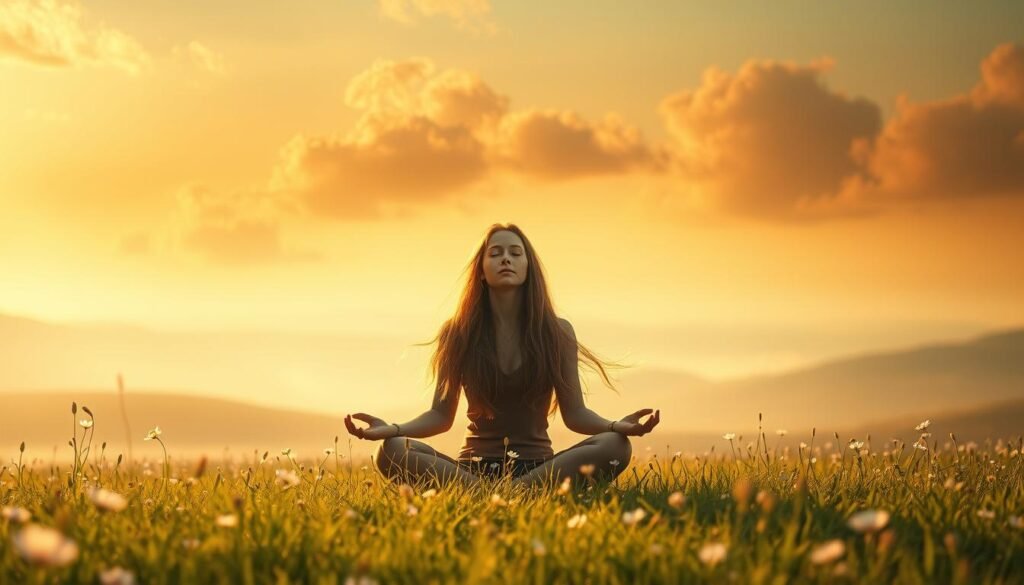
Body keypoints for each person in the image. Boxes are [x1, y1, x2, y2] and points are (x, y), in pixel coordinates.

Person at [344, 223, 660, 489]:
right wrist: (394, 430)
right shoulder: (457, 333)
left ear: (528, 267)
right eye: (495, 254)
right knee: (391, 452)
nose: (505, 259)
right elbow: (440, 417)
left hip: (539, 470)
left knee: (615, 445)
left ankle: (510, 495)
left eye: (514, 253)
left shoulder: (557, 331)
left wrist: (618, 425)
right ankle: (493, 495)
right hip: (470, 471)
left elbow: (575, 414)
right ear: (481, 271)